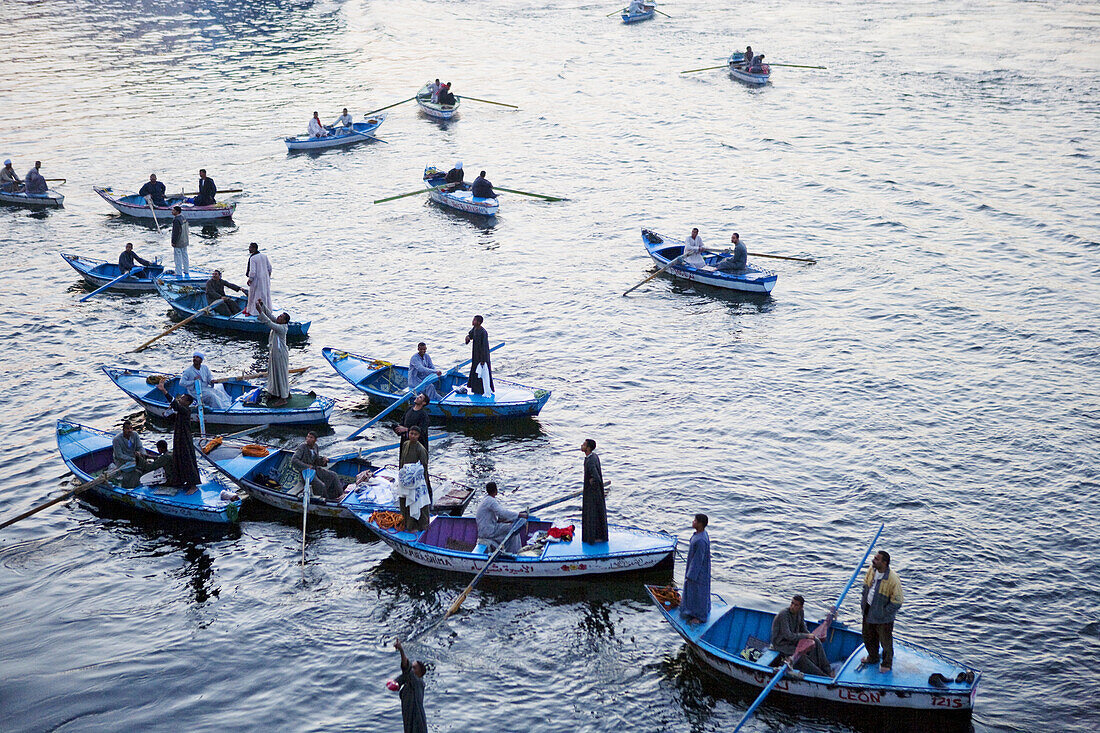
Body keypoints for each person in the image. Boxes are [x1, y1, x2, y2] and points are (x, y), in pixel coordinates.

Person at [861, 550, 904, 673]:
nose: (873, 560)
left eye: (876, 559)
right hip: (868, 610)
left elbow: (898, 601)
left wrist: (884, 612)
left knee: (885, 642)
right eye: (874, 558)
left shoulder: (893, 579)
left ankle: (886, 663)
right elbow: (865, 585)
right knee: (868, 636)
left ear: (884, 563)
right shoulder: (871, 570)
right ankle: (873, 657)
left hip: (883, 617)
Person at [771, 595, 832, 677]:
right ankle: (821, 675)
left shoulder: (800, 612)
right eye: (792, 603)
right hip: (782, 644)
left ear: (801, 607)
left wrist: (810, 637)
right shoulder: (783, 615)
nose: (792, 606)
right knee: (801, 656)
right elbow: (788, 636)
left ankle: (827, 670)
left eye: (796, 605)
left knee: (816, 641)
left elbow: (803, 628)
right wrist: (806, 636)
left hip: (793, 640)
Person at [255, 298, 291, 407]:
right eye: (279, 316)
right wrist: (263, 306)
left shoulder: (281, 328)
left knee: (280, 374)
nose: (279, 317)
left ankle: (283, 398)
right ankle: (282, 392)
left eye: (281, 317)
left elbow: (268, 322)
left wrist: (260, 312)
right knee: (275, 373)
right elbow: (270, 316)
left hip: (280, 355)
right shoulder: (278, 323)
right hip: (275, 354)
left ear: (284, 321)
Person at [476, 482, 527, 553]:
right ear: (496, 491)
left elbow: (499, 515)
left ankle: (508, 550)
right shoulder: (491, 501)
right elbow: (502, 513)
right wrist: (520, 515)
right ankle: (516, 552)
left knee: (507, 527)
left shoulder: (485, 499)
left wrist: (507, 519)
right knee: (514, 529)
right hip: (489, 531)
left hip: (485, 529)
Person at [398, 426, 432, 531]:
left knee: (418, 503)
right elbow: (401, 460)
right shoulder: (405, 444)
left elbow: (424, 467)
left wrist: (424, 483)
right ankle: (408, 524)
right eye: (411, 433)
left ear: (418, 436)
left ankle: (422, 526)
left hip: (416, 480)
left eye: (415, 434)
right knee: (404, 501)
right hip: (405, 479)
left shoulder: (421, 449)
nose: (412, 436)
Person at [292, 431, 344, 500]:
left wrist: (323, 460)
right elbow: (294, 460)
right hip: (306, 473)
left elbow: (316, 460)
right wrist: (307, 466)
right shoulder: (302, 447)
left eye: (311, 437)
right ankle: (326, 500)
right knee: (321, 485)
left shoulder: (315, 446)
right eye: (308, 437)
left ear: (315, 440)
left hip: (314, 469)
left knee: (333, 475)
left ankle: (341, 495)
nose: (308, 439)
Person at [167, 393, 201, 493]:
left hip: (185, 438)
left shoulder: (185, 410)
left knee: (187, 459)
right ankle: (179, 481)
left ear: (187, 402)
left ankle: (193, 485)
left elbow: (176, 405)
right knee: (177, 458)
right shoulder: (181, 411)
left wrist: (164, 391)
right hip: (178, 437)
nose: (180, 400)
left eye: (182, 399)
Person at [681, 513, 711, 623]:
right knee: (693, 591)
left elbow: (698, 559)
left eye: (695, 520)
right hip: (695, 567)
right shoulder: (699, 535)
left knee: (698, 592)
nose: (693, 522)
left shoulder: (701, 540)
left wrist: (691, 575)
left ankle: (700, 617)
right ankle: (691, 611)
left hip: (699, 571)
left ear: (700, 523)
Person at [393, 639, 428, 733]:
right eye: (412, 668)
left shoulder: (418, 682)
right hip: (408, 723)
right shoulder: (409, 683)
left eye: (414, 668)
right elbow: (403, 676)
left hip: (418, 725)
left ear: (420, 673)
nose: (412, 670)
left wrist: (401, 650)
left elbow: (406, 668)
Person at [580, 438, 608, 544]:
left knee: (591, 514)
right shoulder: (594, 457)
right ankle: (599, 536)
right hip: (596, 492)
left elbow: (595, 476)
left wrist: (592, 482)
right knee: (597, 513)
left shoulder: (590, 460)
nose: (581, 445)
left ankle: (592, 538)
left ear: (588, 448)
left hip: (591, 493)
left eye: (584, 444)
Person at [111, 420, 150, 489]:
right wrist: (134, 459)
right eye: (127, 428)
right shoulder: (116, 440)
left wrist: (144, 455)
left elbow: (140, 447)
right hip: (121, 461)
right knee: (132, 473)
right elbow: (119, 456)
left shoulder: (135, 435)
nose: (130, 430)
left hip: (133, 457)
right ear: (123, 430)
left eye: (131, 428)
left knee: (146, 467)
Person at [464, 315, 494, 395]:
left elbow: (484, 346)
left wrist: (483, 360)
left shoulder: (483, 332)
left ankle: (484, 390)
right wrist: (467, 338)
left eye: (474, 320)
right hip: (475, 355)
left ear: (479, 322)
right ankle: (475, 389)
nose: (473, 322)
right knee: (475, 372)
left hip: (482, 356)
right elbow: (470, 335)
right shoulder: (474, 329)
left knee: (483, 373)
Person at [244, 242, 272, 316]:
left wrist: (250, 279)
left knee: (255, 295)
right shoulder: (264, 256)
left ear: (254, 248)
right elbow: (270, 268)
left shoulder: (253, 258)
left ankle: (255, 311)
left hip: (257, 279)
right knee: (265, 294)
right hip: (265, 279)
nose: (249, 249)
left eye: (250, 248)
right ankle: (267, 309)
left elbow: (253, 271)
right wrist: (267, 277)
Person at [170, 205, 190, 277]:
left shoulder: (176, 220)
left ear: (177, 211)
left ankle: (178, 272)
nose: (172, 212)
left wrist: (173, 242)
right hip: (185, 240)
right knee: (185, 255)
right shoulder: (184, 217)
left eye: (173, 210)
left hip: (179, 241)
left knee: (178, 257)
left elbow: (176, 232)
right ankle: (186, 270)